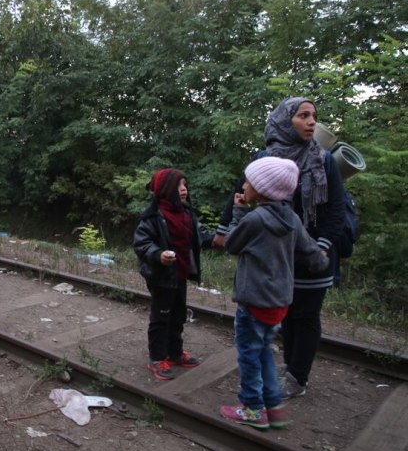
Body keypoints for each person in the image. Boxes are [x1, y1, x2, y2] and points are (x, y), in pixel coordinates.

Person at [213, 97, 346, 398]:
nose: (312, 121)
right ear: (285, 122)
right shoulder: (265, 156)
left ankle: (298, 377)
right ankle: (288, 366)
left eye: (314, 116)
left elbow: (336, 210)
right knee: (285, 313)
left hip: (313, 252)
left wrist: (322, 246)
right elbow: (240, 189)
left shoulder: (323, 160)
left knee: (307, 315)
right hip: (276, 255)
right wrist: (223, 229)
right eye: (303, 115)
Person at [219, 156, 329, 429]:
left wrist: (238, 213)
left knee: (248, 354)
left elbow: (231, 244)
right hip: (279, 302)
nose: (244, 185)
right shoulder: (291, 217)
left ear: (262, 189)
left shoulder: (255, 219)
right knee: (265, 352)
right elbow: (310, 251)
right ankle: (274, 405)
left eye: (249, 181)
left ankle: (254, 409)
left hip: (254, 300)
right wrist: (322, 261)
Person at [134, 168, 214, 380]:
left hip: (180, 274)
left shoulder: (187, 213)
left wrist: (223, 237)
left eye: (185, 185)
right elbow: (142, 243)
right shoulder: (153, 216)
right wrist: (158, 254)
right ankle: (157, 357)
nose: (184, 190)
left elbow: (201, 235)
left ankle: (175, 353)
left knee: (178, 314)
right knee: (161, 316)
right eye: (179, 186)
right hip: (161, 276)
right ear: (166, 189)